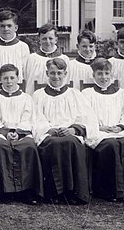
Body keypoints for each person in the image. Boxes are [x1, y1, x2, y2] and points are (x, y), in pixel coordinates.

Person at [82, 58, 124, 202]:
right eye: (99, 74)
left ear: (112, 75)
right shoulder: (87, 94)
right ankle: (110, 191)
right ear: (93, 75)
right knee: (111, 146)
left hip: (118, 130)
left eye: (107, 73)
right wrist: (100, 128)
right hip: (99, 133)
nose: (104, 77)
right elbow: (85, 116)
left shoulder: (121, 93)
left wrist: (120, 127)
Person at [31, 57, 96, 204]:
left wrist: (74, 129)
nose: (56, 77)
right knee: (53, 144)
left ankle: (74, 192)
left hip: (70, 133)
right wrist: (49, 129)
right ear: (47, 73)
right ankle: (54, 193)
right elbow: (35, 119)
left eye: (59, 73)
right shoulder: (38, 95)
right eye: (52, 73)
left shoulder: (74, 94)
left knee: (70, 142)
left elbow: (87, 117)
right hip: (49, 134)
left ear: (65, 73)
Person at [0, 64, 43, 205]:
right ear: (0, 79)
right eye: (5, 78)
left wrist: (17, 133)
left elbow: (28, 118)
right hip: (1, 133)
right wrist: (6, 133)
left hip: (21, 133)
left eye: (12, 77)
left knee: (28, 146)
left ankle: (27, 191)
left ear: (18, 78)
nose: (9, 81)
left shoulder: (26, 98)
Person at [0, 10, 30, 92]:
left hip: (17, 90)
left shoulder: (22, 47)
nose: (6, 29)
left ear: (15, 28)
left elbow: (25, 73)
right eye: (2, 26)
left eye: (9, 26)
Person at [24, 23, 70, 94]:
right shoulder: (31, 59)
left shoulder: (64, 59)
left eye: (50, 38)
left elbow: (66, 81)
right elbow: (27, 80)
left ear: (56, 40)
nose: (47, 42)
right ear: (39, 40)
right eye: (44, 39)